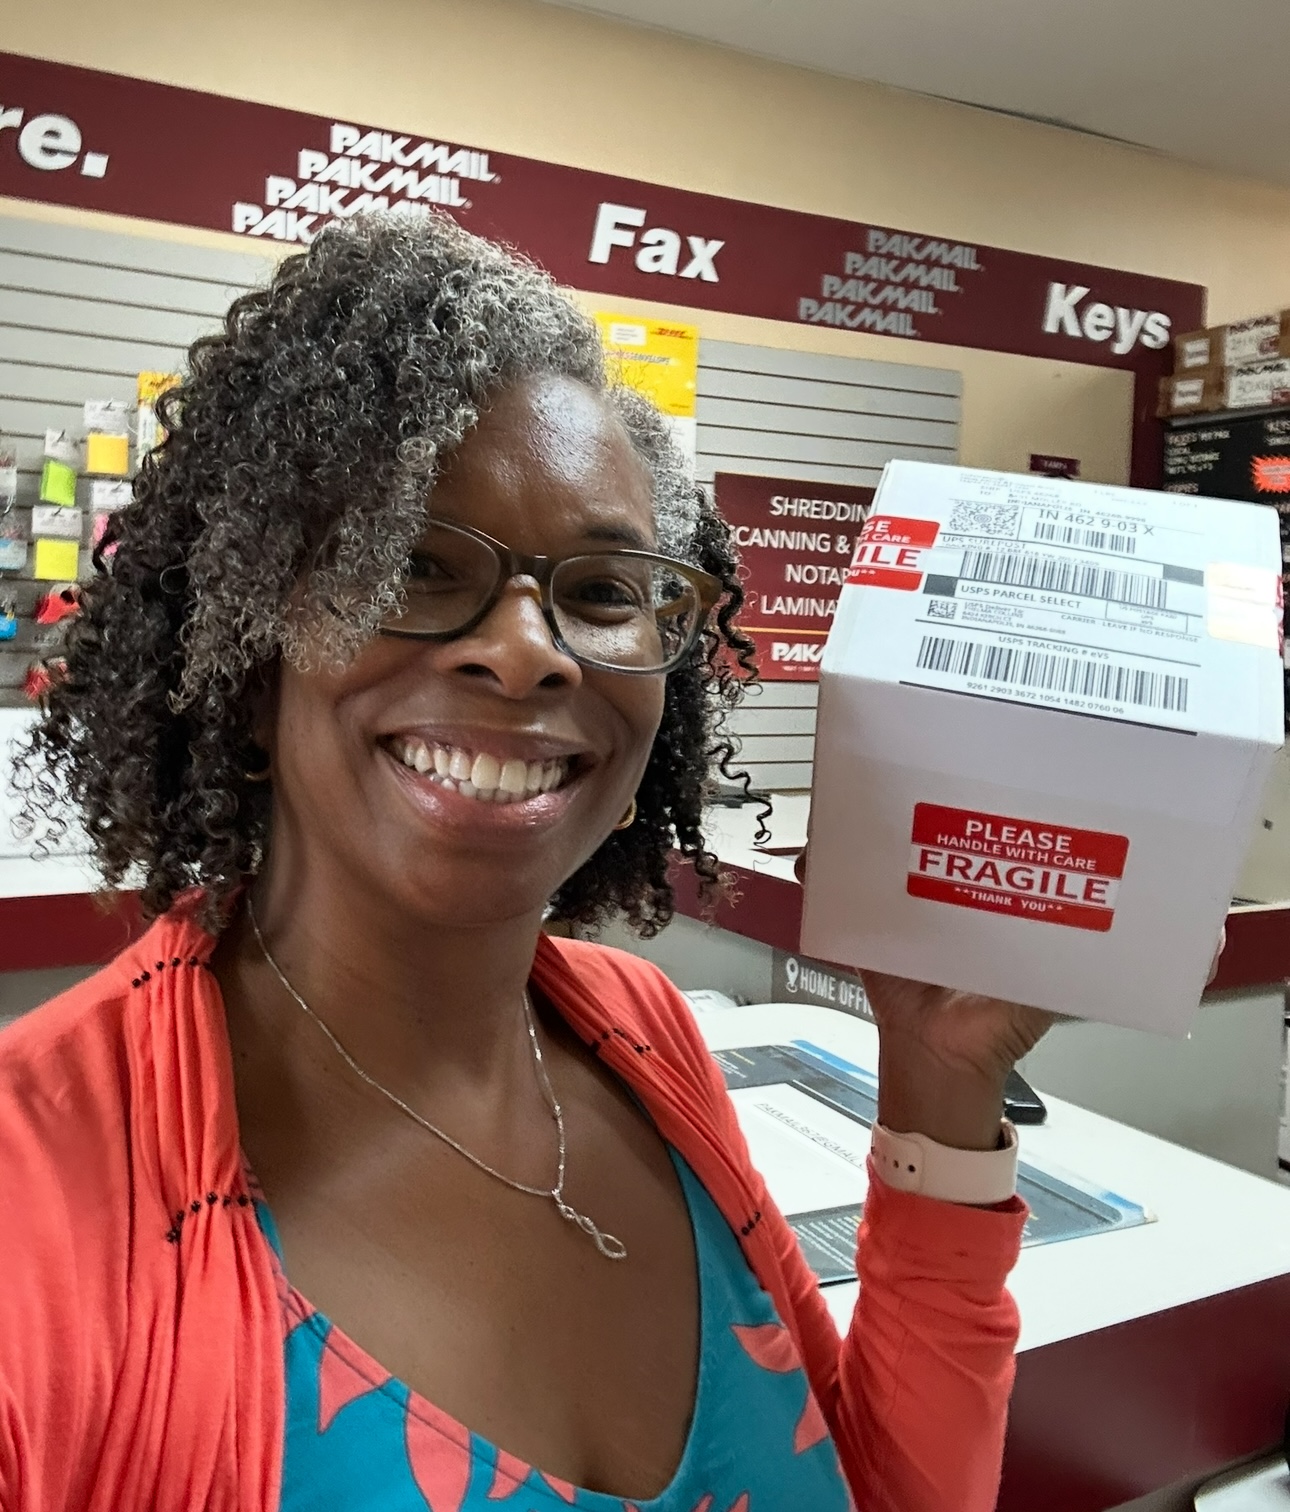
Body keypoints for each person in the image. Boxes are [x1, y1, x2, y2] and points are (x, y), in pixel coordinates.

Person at [0, 214, 1052, 1512]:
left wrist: (941, 1091)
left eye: (604, 591)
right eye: (413, 565)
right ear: (247, 654)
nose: (527, 652)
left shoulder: (646, 1037)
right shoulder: (30, 1196)